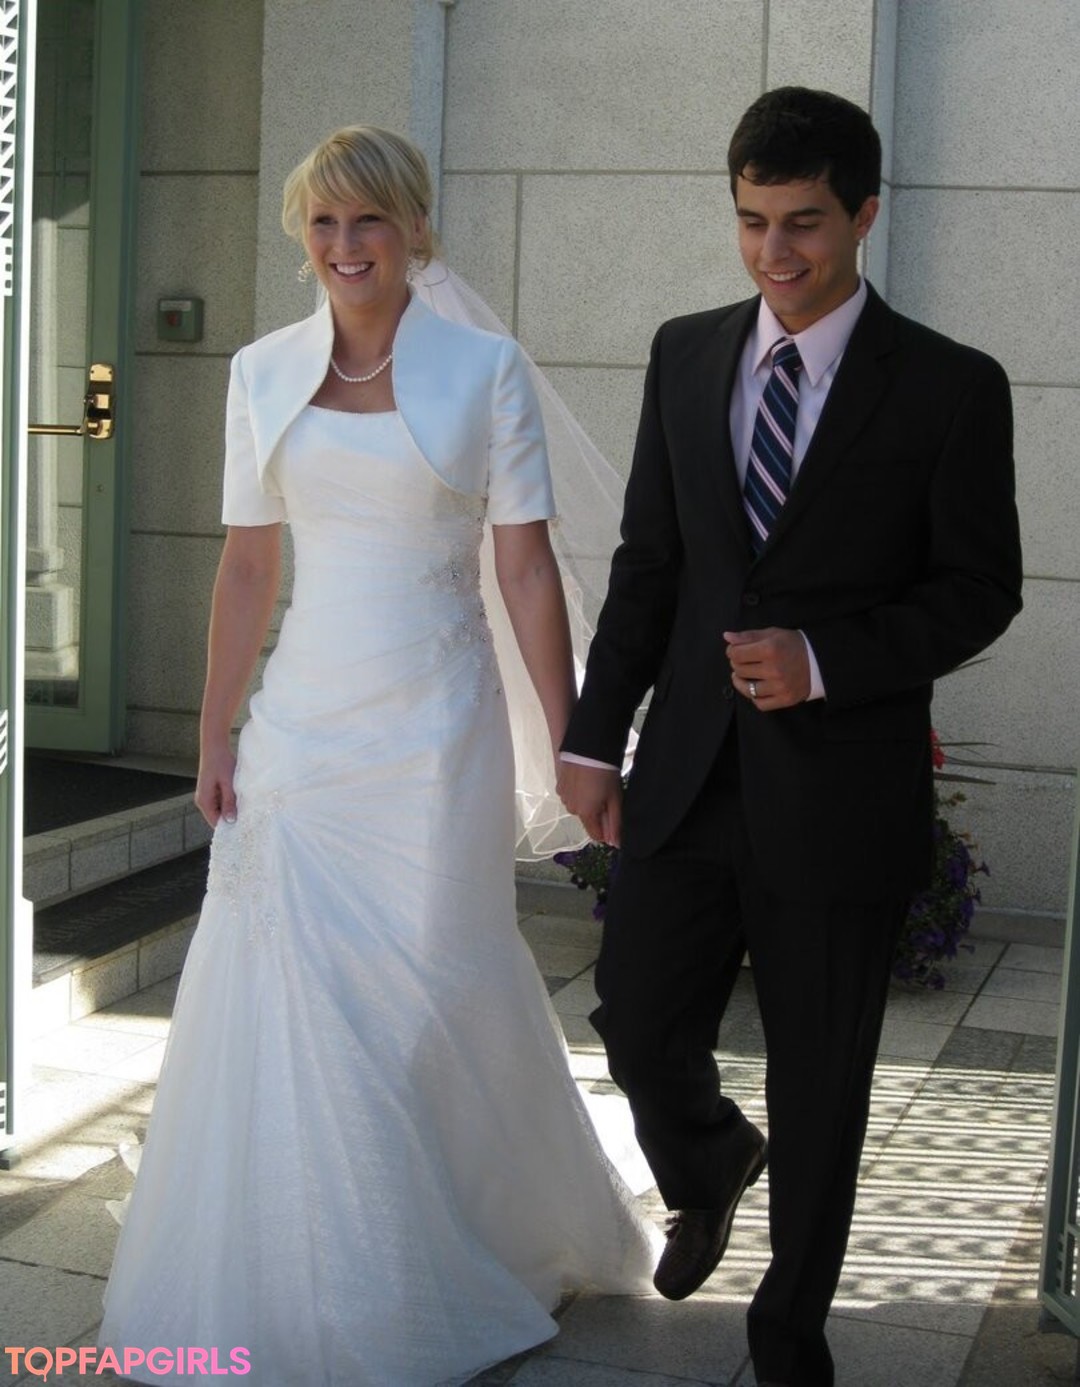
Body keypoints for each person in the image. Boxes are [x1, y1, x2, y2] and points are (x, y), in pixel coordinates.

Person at [99, 126, 658, 1387]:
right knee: (288, 989)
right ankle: (313, 1267)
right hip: (300, 734)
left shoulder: (485, 370)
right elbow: (248, 566)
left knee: (428, 987)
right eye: (323, 222)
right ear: (301, 236)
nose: (346, 246)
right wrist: (214, 731)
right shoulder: (259, 372)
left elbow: (527, 569)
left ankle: (454, 1236)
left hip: (436, 735)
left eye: (370, 221)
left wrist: (580, 738)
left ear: (414, 230)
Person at [557, 86, 1023, 1387]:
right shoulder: (684, 355)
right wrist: (594, 737)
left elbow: (980, 588)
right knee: (636, 1019)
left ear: (865, 214)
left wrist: (827, 659)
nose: (776, 251)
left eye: (805, 222)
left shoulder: (951, 386)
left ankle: (787, 1334)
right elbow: (652, 564)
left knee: (824, 1081)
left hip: (839, 790)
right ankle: (709, 1158)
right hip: (690, 774)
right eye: (753, 220)